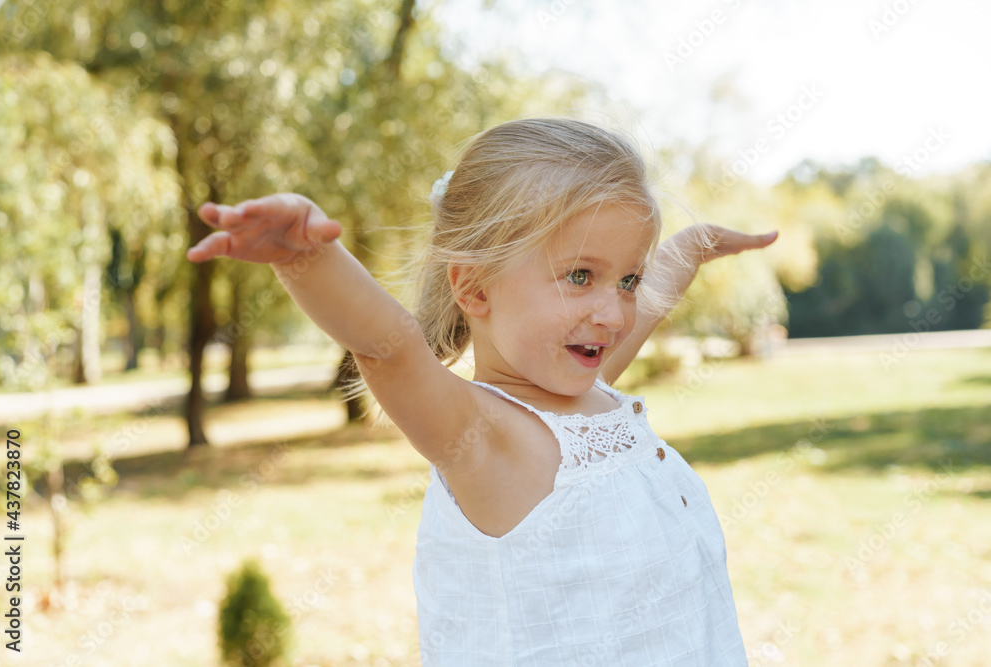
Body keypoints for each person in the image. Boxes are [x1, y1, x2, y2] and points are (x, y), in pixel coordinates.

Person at [187, 117, 778, 665]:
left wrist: (691, 247)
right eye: (580, 276)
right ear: (474, 289)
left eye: (628, 280)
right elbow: (386, 346)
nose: (614, 314)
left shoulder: (584, 395)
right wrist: (307, 260)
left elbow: (656, 288)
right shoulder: (485, 440)